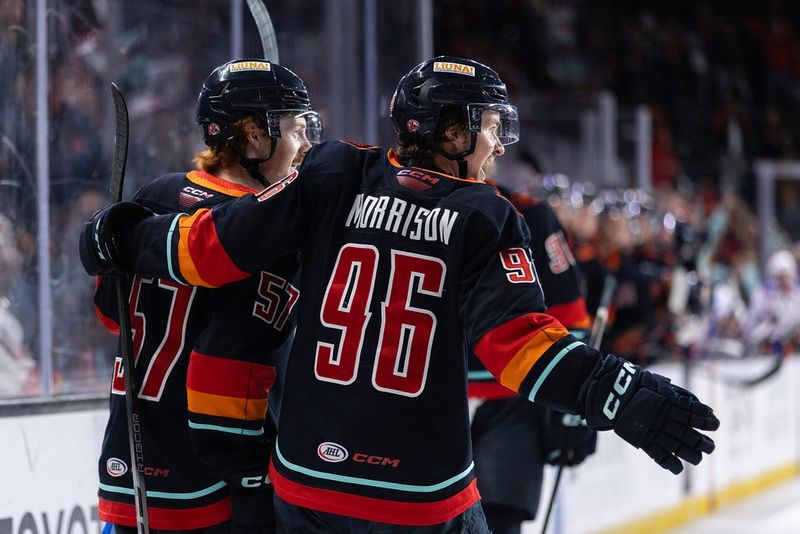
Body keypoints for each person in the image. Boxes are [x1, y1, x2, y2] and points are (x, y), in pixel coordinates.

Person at [80, 56, 719, 533]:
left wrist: (127, 236)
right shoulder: (485, 216)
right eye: (491, 126)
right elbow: (521, 350)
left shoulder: (332, 172)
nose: (499, 144)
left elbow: (211, 247)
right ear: (451, 132)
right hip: (420, 496)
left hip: (308, 487)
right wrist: (614, 389)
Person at [89, 59, 320, 533]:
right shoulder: (262, 236)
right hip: (207, 478)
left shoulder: (155, 195)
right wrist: (251, 478)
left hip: (128, 463)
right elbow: (226, 371)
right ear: (255, 135)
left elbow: (110, 314)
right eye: (297, 131)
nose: (306, 146)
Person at [467, 182, 596, 534]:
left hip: (511, 404)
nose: (496, 143)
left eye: (496, 125)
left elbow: (572, 320)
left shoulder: (531, 213)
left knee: (500, 522)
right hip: (427, 405)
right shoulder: (400, 205)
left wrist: (572, 405)